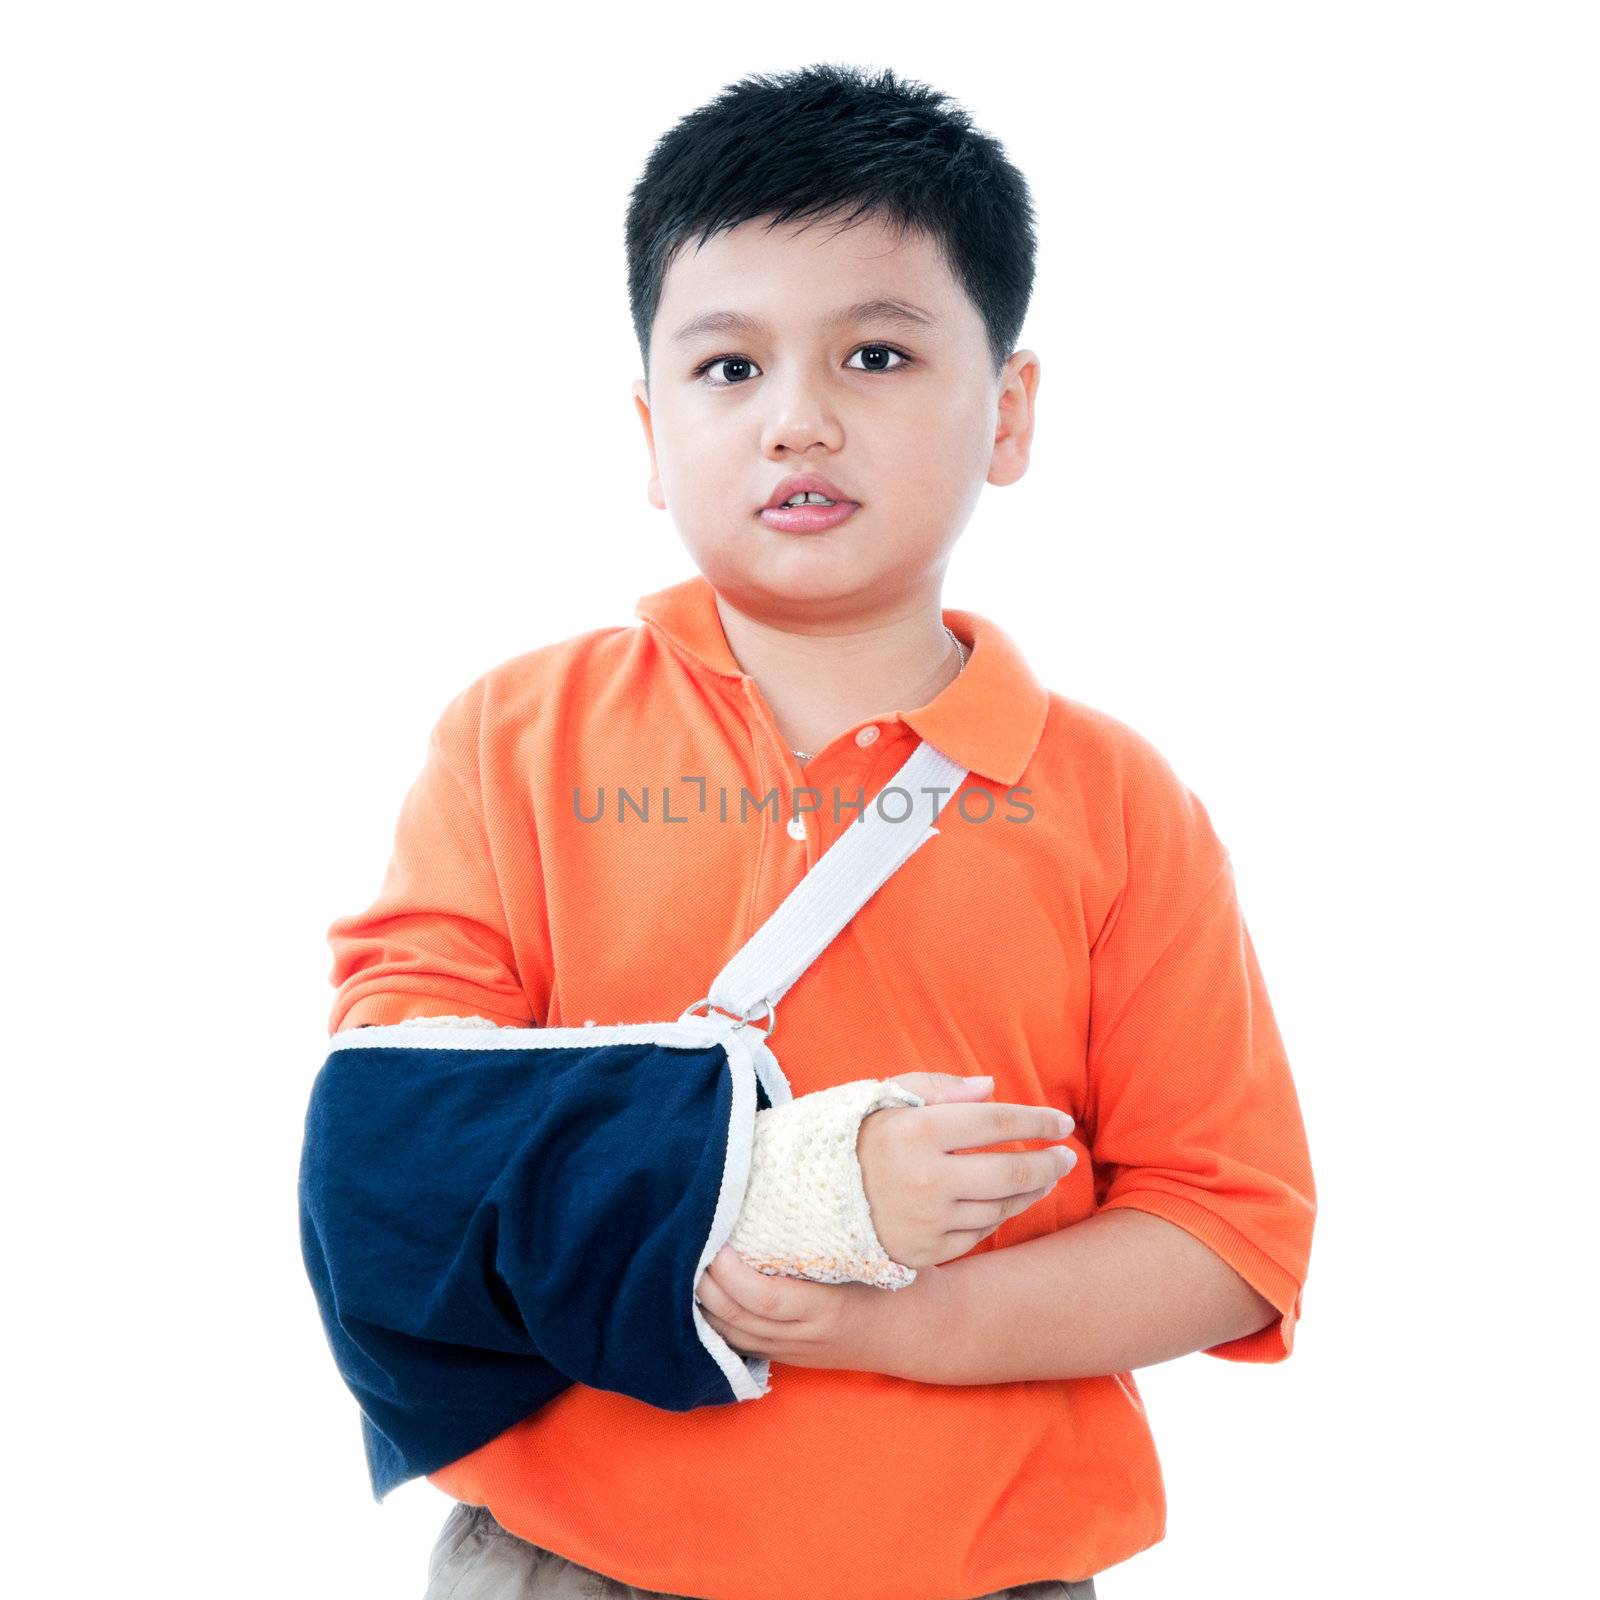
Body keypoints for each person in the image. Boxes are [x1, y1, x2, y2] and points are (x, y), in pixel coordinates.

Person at [312, 63, 1316, 1600]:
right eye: (728, 369)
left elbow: (1223, 1228)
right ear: (649, 431)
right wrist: (793, 1188)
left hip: (977, 1570)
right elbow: (397, 1151)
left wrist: (888, 1320)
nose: (800, 419)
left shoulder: (1117, 805)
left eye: (876, 353)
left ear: (1011, 410)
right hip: (569, 1557)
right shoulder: (515, 742)